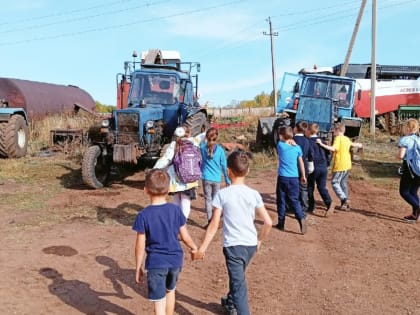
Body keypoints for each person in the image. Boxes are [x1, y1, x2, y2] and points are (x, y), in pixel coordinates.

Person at [193, 151, 272, 315]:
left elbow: (214, 225)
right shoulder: (254, 194)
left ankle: (238, 307)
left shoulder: (223, 194)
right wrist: (259, 240)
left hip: (233, 247)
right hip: (250, 245)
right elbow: (268, 222)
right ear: (248, 171)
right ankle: (230, 301)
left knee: (239, 285)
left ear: (228, 171)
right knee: (238, 277)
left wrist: (202, 249)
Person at [133, 169, 198, 315]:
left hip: (156, 263)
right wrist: (194, 248)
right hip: (175, 261)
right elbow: (185, 237)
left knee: (159, 302)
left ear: (145, 190)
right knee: (170, 291)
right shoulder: (175, 211)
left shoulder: (143, 215)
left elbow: (140, 245)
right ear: (169, 190)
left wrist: (138, 267)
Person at [154, 125, 205, 220]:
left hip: (176, 179)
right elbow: (203, 136)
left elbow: (165, 160)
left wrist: (154, 169)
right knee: (186, 202)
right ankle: (182, 222)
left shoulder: (174, 145)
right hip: (190, 179)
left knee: (176, 201)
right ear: (189, 133)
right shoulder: (194, 142)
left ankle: (177, 219)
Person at [316, 122, 363, 210]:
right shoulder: (346, 138)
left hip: (340, 164)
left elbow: (334, 148)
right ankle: (345, 203)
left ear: (338, 130)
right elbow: (353, 144)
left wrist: (321, 144)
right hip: (347, 164)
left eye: (334, 130)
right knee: (343, 183)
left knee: (335, 182)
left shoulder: (338, 138)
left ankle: (344, 199)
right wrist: (359, 145)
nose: (333, 132)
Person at [275, 126, 307, 234]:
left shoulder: (280, 146)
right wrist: (303, 175)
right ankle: (300, 218)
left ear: (281, 135)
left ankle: (281, 223)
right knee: (294, 200)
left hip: (283, 177)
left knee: (281, 200)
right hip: (294, 177)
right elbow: (301, 162)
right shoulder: (297, 148)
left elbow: (281, 142)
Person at [200, 127, 231, 225]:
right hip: (216, 179)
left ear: (207, 137)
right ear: (216, 137)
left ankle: (210, 221)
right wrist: (227, 179)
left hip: (206, 178)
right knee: (216, 200)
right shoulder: (221, 150)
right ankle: (216, 220)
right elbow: (224, 165)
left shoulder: (202, 148)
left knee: (208, 200)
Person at [307, 123, 334, 216]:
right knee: (321, 187)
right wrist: (327, 163)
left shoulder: (308, 142)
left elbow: (309, 154)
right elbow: (328, 153)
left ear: (309, 131)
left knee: (310, 187)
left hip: (313, 167)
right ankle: (329, 202)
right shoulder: (322, 141)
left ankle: (311, 206)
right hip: (323, 167)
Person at [396, 118, 420, 223]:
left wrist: (396, 156)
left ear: (408, 128)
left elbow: (401, 155)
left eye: (404, 127)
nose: (402, 129)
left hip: (410, 169)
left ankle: (417, 207)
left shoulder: (405, 139)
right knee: (413, 191)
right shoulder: (418, 139)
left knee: (404, 192)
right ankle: (415, 215)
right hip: (419, 168)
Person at [292, 120, 313, 216]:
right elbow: (310, 154)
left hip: (293, 167)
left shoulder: (292, 140)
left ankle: (293, 207)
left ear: (295, 129)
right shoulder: (307, 141)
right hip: (304, 166)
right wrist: (310, 165)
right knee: (303, 188)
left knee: (293, 188)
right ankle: (304, 208)